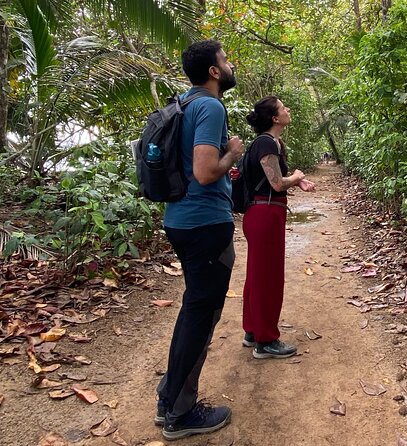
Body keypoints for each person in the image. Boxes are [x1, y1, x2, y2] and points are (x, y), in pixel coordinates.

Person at [154, 40, 244, 440]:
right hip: (205, 223)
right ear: (213, 71)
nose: (229, 65)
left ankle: (168, 397)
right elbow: (206, 172)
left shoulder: (185, 104)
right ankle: (180, 411)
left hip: (180, 219)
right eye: (224, 59)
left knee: (193, 309)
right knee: (201, 315)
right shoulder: (209, 106)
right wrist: (233, 154)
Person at [242, 96, 316, 359]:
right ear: (275, 118)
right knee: (268, 278)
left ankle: (253, 331)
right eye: (284, 108)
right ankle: (266, 341)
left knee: (257, 275)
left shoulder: (268, 142)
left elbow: (271, 180)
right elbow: (276, 183)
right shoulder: (265, 142)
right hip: (265, 214)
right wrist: (295, 177)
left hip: (262, 212)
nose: (288, 110)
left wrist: (296, 182)